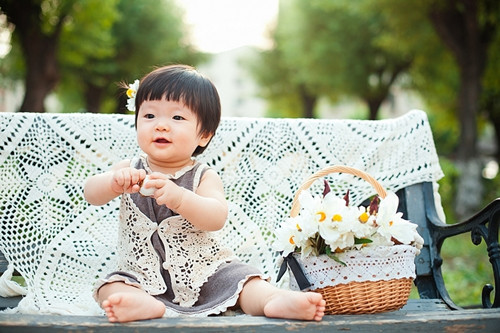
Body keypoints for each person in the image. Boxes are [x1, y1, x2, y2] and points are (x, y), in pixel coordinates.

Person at [84, 64, 326, 323]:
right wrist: (112, 182)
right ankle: (141, 304)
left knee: (242, 280)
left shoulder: (203, 176)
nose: (161, 126)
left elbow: (215, 217)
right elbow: (90, 193)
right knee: (111, 286)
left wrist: (179, 197)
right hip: (141, 275)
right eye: (150, 116)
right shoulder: (128, 169)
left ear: (204, 135)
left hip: (205, 271)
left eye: (177, 118)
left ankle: (272, 299)